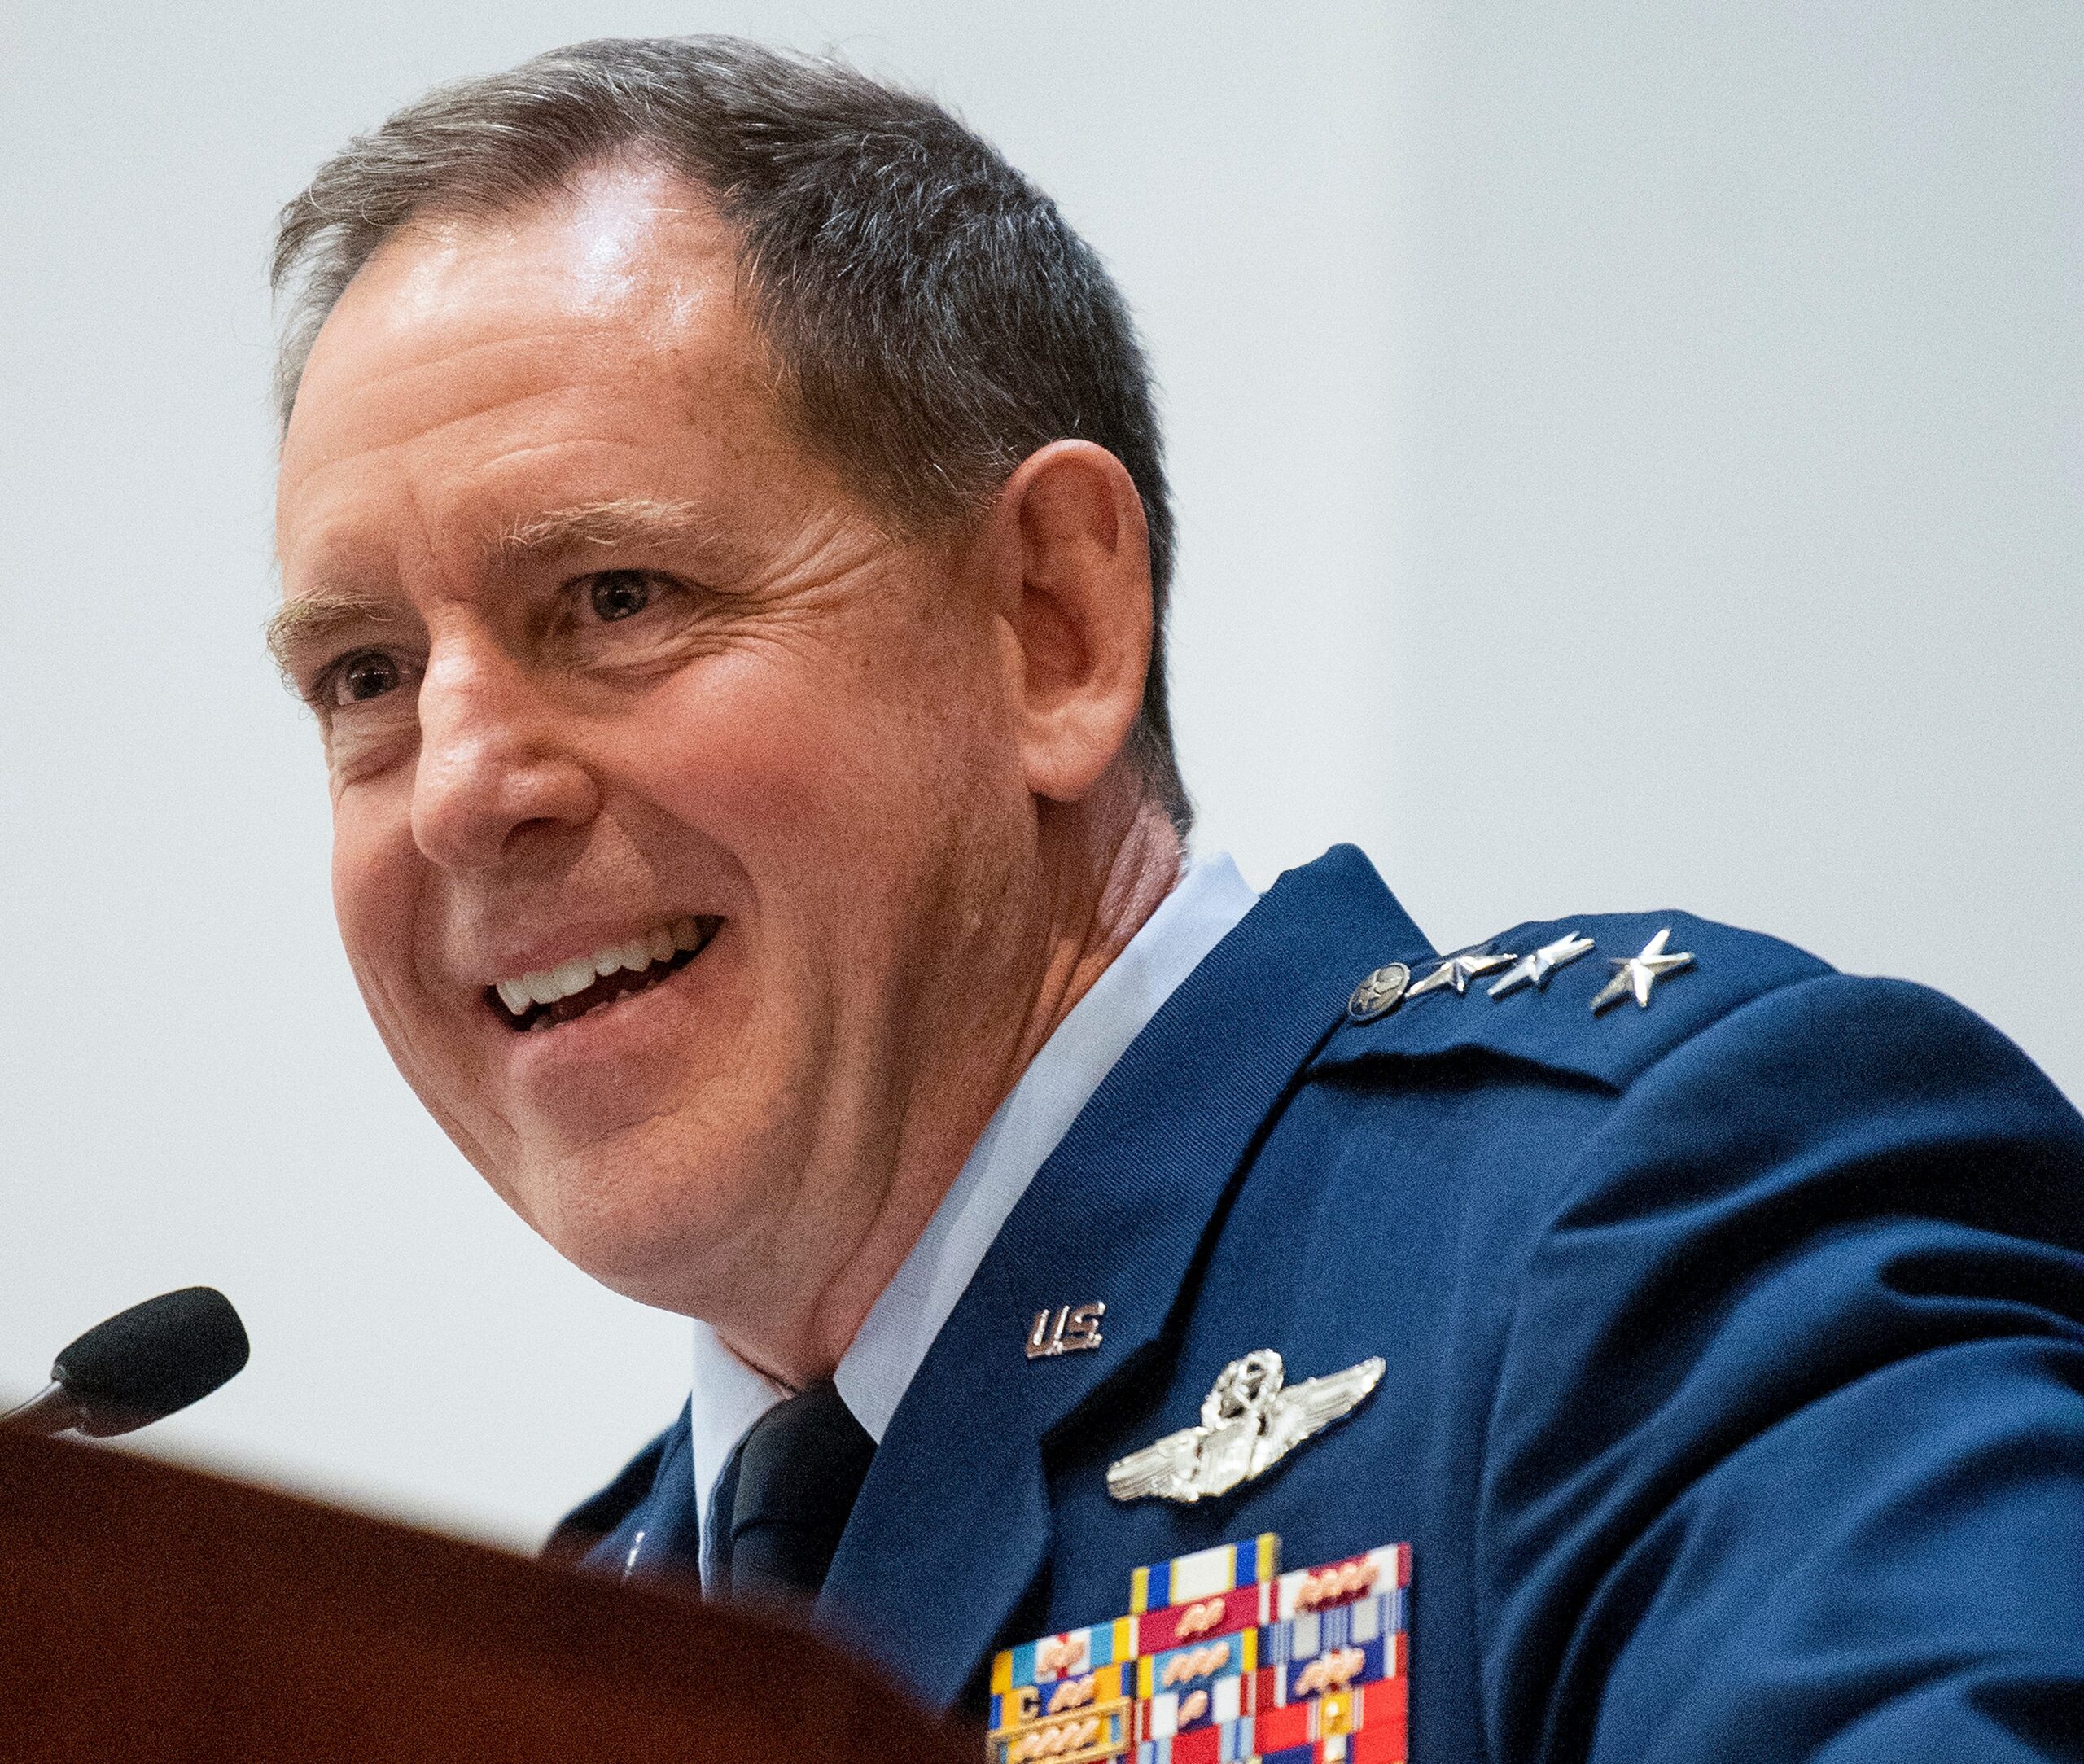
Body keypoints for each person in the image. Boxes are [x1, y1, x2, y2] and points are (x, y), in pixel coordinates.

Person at [266, 35, 2084, 1760]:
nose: (460, 793)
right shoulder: (592, 1624)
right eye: (364, 677)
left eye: (615, 598)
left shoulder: (1644, 1223)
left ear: (1052, 626)